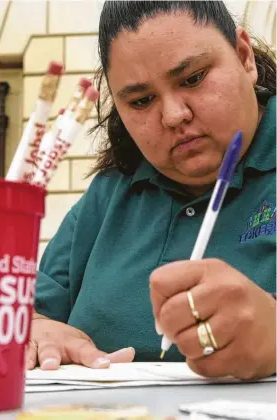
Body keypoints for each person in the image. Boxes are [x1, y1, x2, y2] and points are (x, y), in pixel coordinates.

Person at [26, 0, 276, 380]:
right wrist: (36, 329)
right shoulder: (111, 194)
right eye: (141, 101)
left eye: (192, 78)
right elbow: (26, 310)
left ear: (243, 57)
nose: (174, 115)